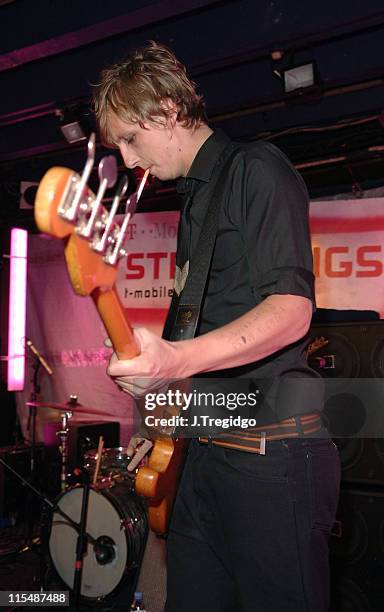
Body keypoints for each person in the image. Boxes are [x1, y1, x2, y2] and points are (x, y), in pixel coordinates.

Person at [93, 41, 340, 612]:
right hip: (202, 454)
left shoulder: (256, 168)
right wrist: (155, 407)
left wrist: (175, 361)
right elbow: (198, 338)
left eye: (131, 138)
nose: (128, 161)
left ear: (167, 110)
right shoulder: (195, 200)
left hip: (270, 458)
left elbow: (291, 309)